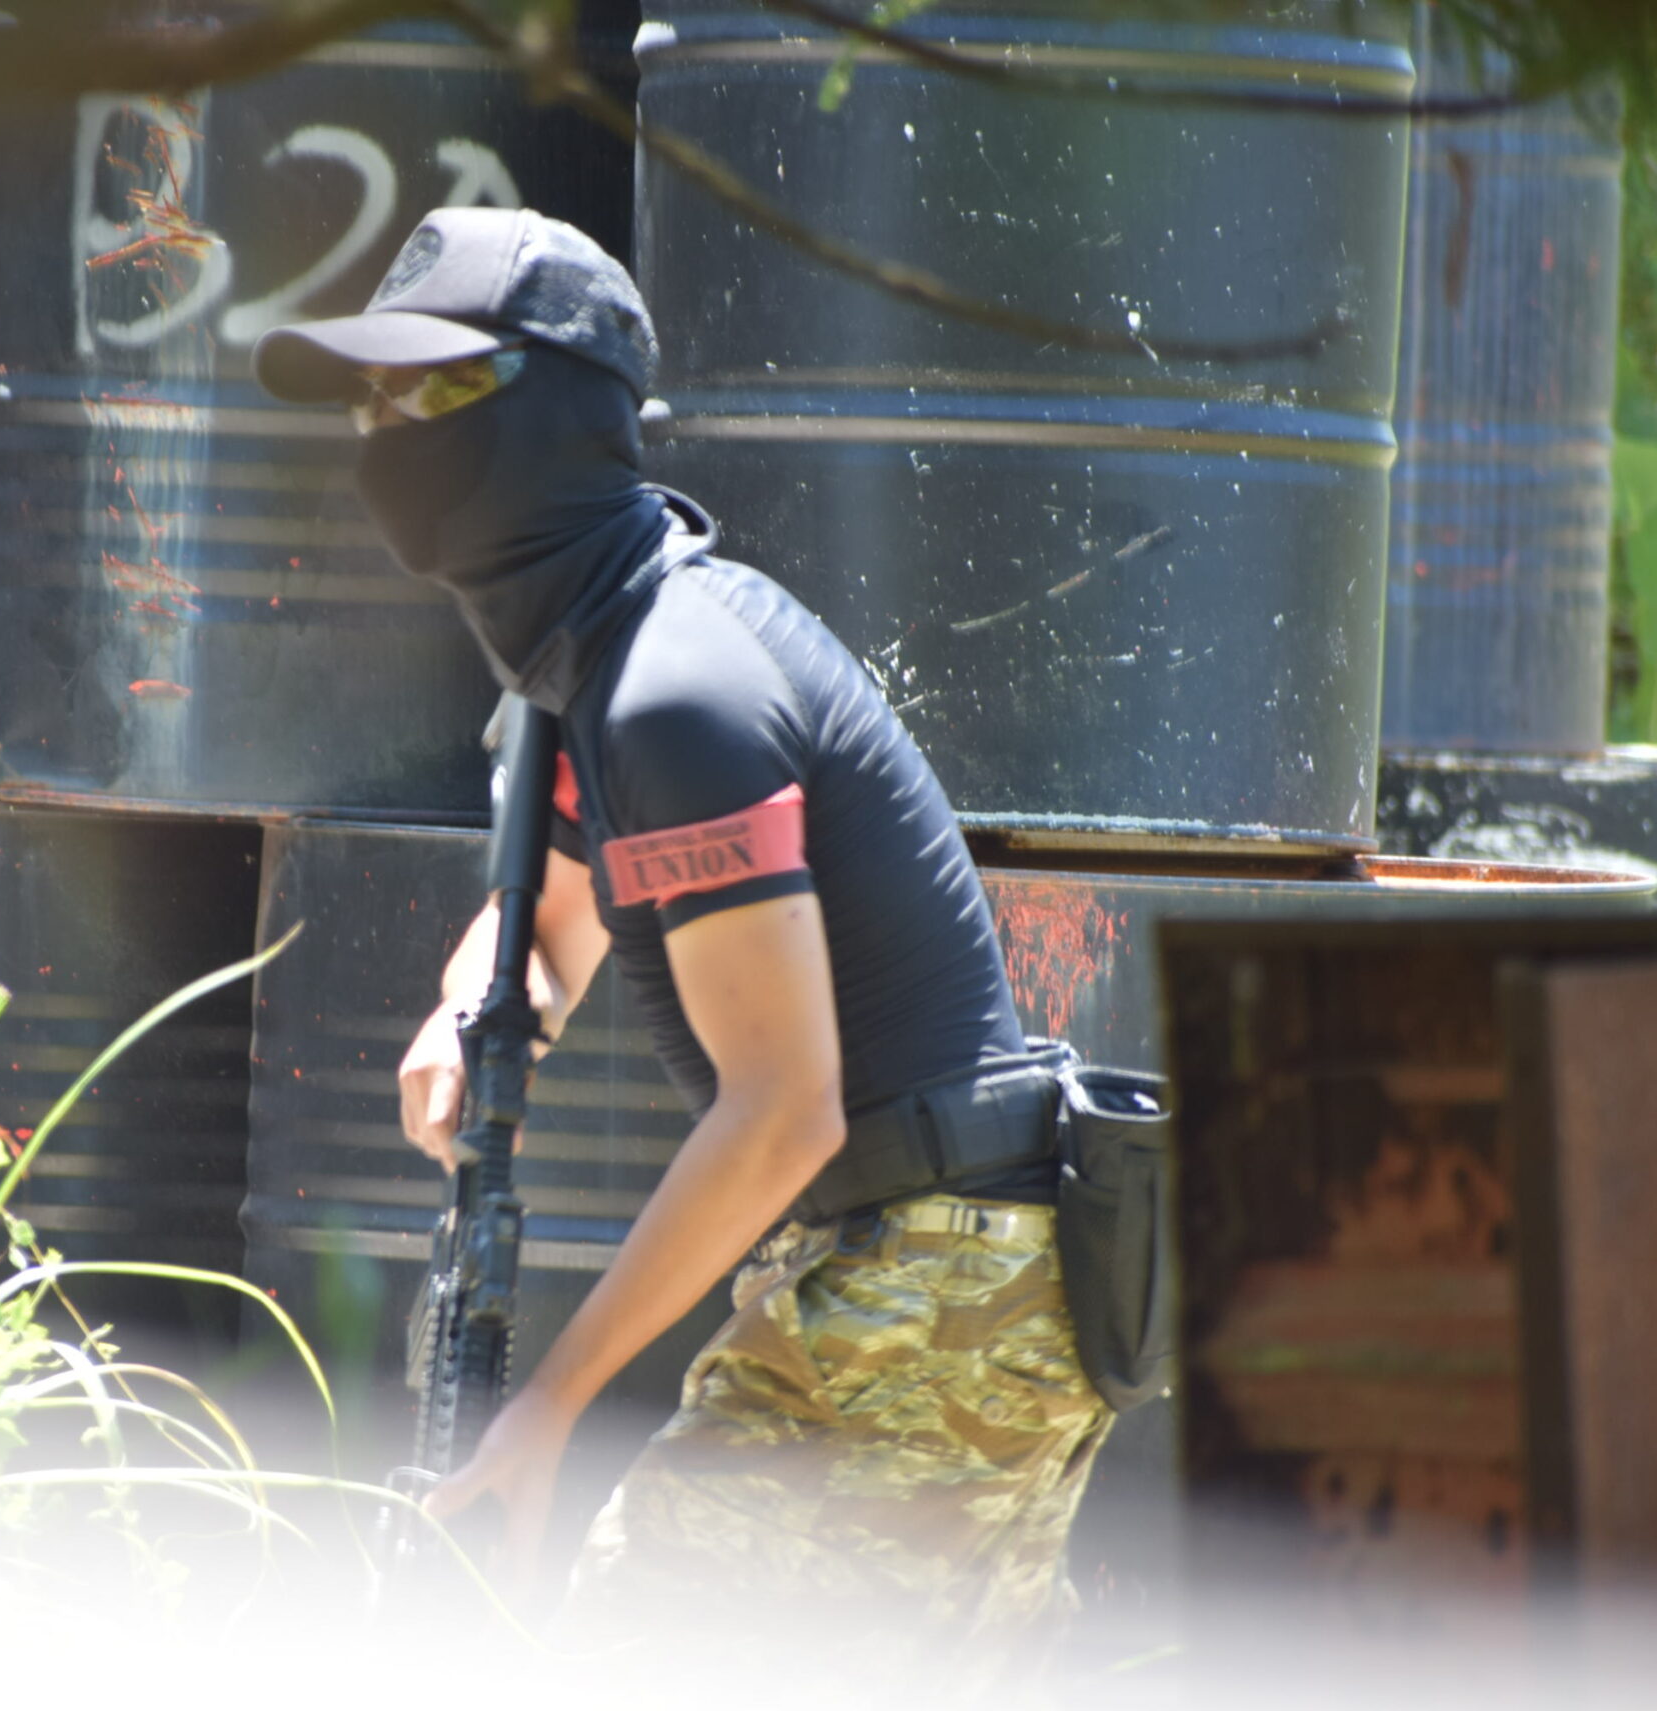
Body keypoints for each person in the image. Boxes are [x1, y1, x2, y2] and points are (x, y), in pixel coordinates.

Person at [254, 208, 1111, 1677]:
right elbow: (554, 923)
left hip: (928, 1282)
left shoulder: (674, 695)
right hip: (948, 1272)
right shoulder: (608, 664)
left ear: (559, 414)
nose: (385, 433)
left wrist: (549, 1405)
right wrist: (473, 1010)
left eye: (434, 390)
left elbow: (783, 1110)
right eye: (369, 399)